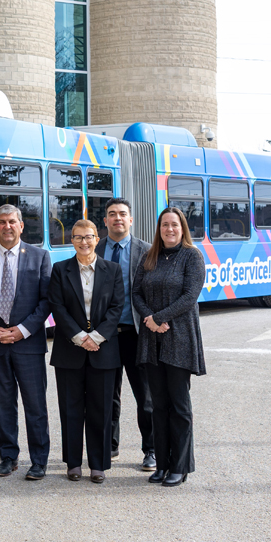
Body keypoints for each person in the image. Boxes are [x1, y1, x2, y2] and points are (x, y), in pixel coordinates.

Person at [0, 204, 52, 480]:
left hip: (28, 344)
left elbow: (46, 301)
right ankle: (8, 456)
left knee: (35, 404)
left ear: (21, 226)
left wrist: (22, 330)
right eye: (2, 222)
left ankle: (39, 460)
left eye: (12, 222)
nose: (7, 227)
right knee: (3, 403)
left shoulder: (40, 257)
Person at [132, 207, 206, 488]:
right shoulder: (149, 256)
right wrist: (150, 321)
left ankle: (180, 466)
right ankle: (162, 465)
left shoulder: (192, 256)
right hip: (152, 341)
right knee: (157, 406)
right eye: (165, 225)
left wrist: (159, 318)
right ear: (159, 228)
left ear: (182, 228)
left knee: (179, 406)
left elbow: (190, 295)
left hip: (180, 338)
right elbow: (136, 292)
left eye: (174, 225)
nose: (169, 229)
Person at [49, 219, 125, 484]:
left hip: (104, 350)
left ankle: (98, 464)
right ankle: (72, 463)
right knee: (70, 408)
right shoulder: (60, 270)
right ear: (72, 240)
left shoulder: (112, 269)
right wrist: (81, 337)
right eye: (78, 237)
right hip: (70, 350)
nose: (84, 242)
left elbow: (117, 307)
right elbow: (57, 307)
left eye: (89, 237)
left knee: (101, 409)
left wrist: (97, 337)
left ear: (97, 238)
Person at [95, 198, 155, 472]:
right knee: (107, 394)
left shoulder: (146, 251)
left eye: (122, 214)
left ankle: (151, 450)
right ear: (105, 221)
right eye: (111, 214)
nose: (117, 218)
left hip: (136, 333)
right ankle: (110, 446)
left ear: (131, 220)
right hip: (104, 334)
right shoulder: (94, 249)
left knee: (146, 396)